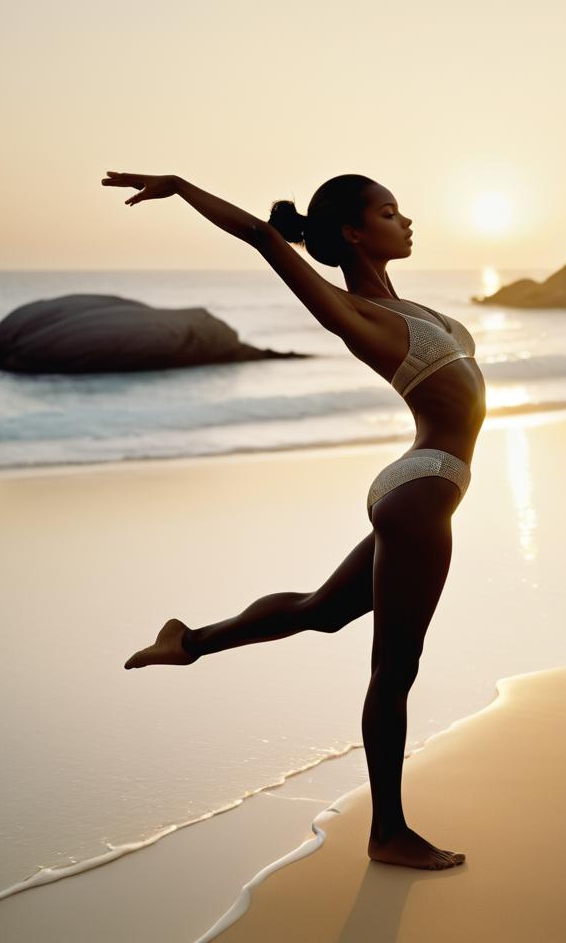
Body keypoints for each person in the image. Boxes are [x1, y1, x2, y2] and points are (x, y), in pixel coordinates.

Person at [102, 171, 486, 871]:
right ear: (353, 232)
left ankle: (188, 640)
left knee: (324, 609)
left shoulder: (415, 308)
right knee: (395, 668)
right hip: (421, 492)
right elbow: (260, 236)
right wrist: (183, 188)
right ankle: (388, 833)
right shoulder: (351, 310)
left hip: (424, 485)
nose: (407, 221)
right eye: (390, 212)